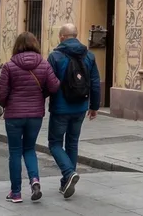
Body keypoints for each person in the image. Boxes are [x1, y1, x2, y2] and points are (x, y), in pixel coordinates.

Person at [0, 32, 60, 204]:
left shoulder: (9, 66)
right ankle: (35, 181)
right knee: (30, 149)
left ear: (17, 46)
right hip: (35, 115)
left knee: (15, 152)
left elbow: (1, 92)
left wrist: (6, 104)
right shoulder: (44, 64)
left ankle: (16, 193)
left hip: (14, 116)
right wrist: (41, 94)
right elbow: (54, 86)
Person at [46, 24, 102, 198]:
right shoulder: (89, 56)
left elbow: (49, 83)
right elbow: (95, 82)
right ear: (76, 36)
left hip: (61, 108)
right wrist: (94, 106)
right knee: (72, 143)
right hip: (80, 107)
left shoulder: (55, 56)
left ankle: (69, 173)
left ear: (62, 37)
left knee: (55, 143)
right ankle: (66, 183)